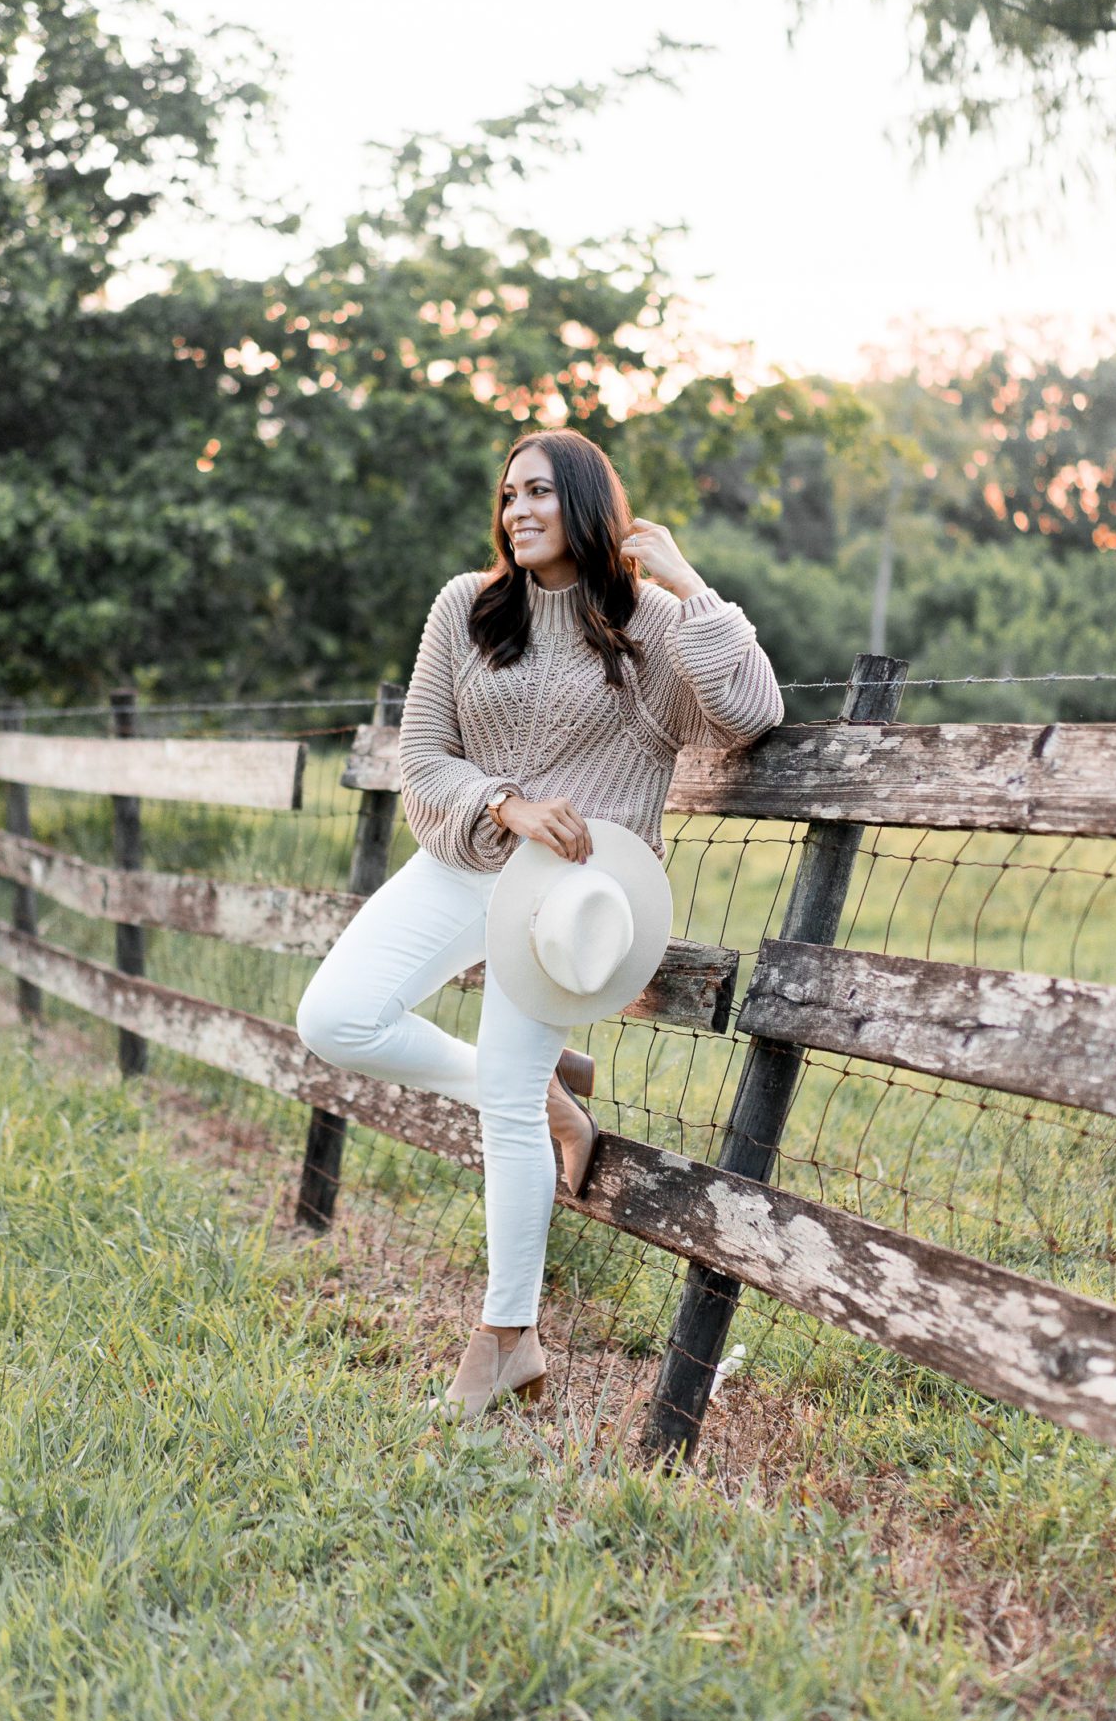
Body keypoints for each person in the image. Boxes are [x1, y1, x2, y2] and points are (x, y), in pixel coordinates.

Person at [295, 426, 783, 1416]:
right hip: (465, 857)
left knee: (506, 1105)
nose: (518, 510)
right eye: (508, 494)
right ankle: (558, 1103)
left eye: (541, 494)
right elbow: (421, 756)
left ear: (589, 505)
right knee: (334, 1019)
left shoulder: (649, 624)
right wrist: (505, 799)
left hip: (565, 903)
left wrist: (690, 583)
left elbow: (751, 713)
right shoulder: (465, 608)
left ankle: (505, 1339)